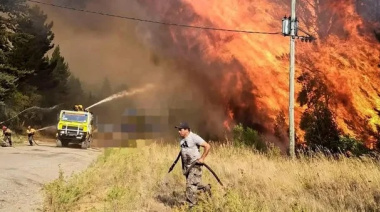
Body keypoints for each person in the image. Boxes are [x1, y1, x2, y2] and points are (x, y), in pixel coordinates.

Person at [174, 122, 211, 208]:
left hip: (195, 165)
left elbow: (207, 146)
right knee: (195, 184)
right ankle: (206, 188)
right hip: (187, 167)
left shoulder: (194, 137)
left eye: (180, 129)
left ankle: (192, 207)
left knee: (190, 186)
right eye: (178, 129)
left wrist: (202, 158)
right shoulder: (182, 139)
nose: (179, 131)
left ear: (187, 130)